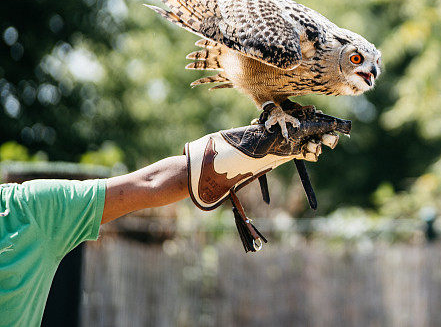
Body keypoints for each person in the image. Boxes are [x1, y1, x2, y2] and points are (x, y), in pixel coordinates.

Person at [0, 105, 348, 327]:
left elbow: (153, 182)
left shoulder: (27, 211)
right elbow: (151, 183)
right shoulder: (28, 211)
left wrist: (260, 146)